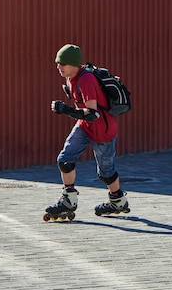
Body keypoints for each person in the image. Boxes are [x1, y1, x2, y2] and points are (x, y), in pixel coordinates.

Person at [45, 43, 129, 218]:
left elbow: (92, 114)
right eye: (57, 63)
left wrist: (65, 109)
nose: (58, 67)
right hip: (84, 126)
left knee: (105, 173)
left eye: (62, 63)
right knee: (65, 159)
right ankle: (68, 199)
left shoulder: (86, 80)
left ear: (74, 65)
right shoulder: (70, 78)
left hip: (102, 131)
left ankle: (118, 200)